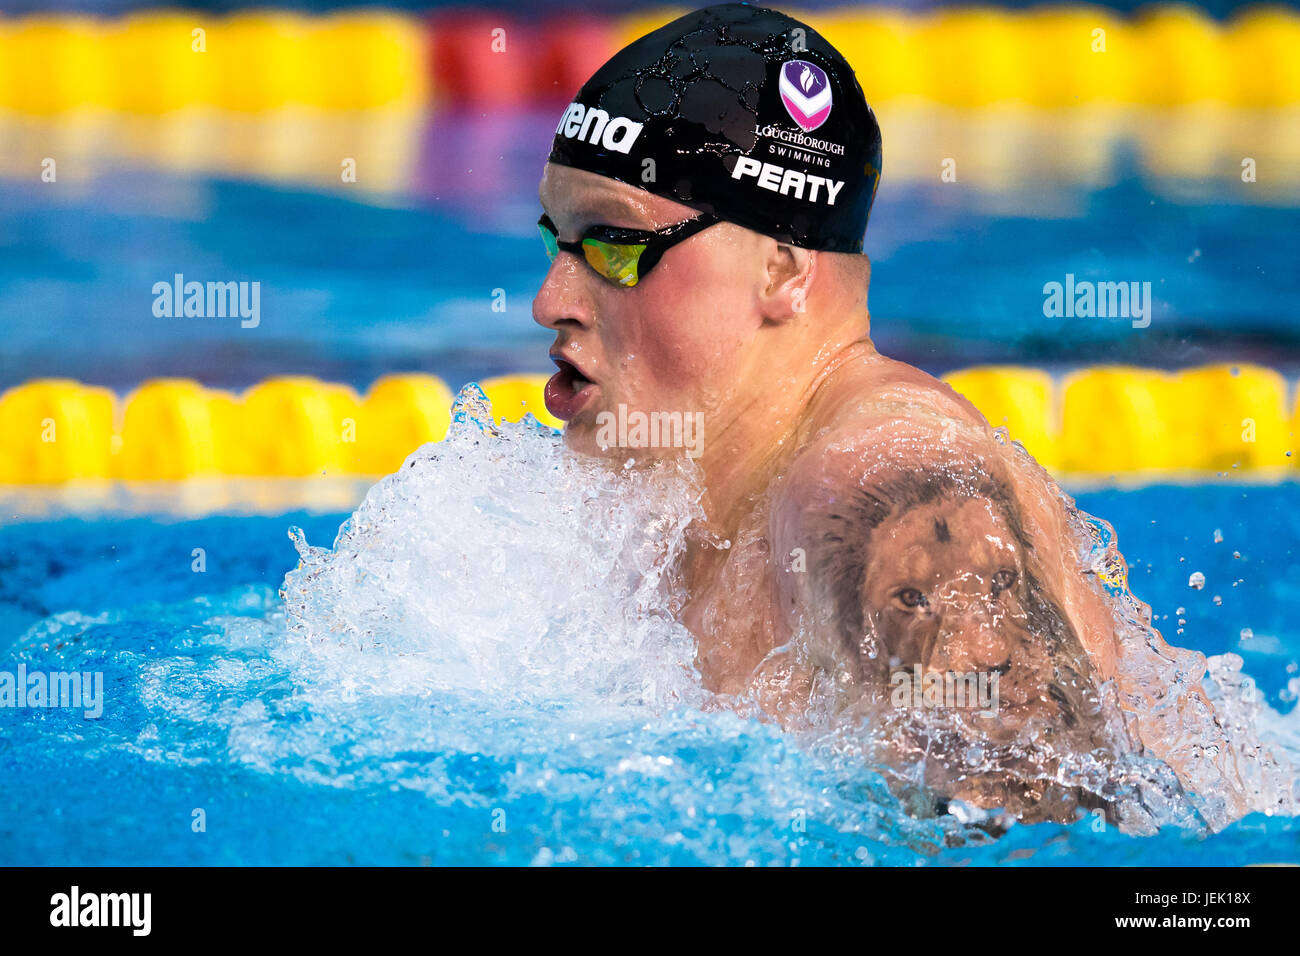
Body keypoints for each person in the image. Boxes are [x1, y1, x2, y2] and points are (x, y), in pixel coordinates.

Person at [531, 2, 1235, 819]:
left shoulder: (883, 480)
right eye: (557, 244)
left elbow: (1046, 831)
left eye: (616, 247)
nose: (550, 301)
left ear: (783, 271)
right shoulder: (684, 505)